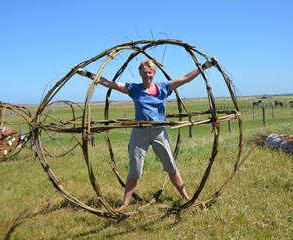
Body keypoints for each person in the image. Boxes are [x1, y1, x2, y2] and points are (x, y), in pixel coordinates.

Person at [76, 57, 217, 210]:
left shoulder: (164, 87)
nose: (147, 75)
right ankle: (125, 203)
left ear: (154, 73)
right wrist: (87, 74)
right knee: (135, 168)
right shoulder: (134, 89)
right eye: (144, 72)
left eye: (149, 72)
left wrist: (205, 66)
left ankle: (186, 197)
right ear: (140, 73)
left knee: (170, 165)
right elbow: (110, 83)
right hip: (140, 132)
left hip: (159, 132)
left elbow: (186, 78)